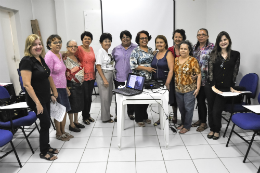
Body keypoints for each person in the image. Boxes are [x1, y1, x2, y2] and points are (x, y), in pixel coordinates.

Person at [19, 34, 58, 160]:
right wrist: (37, 103)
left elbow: (47, 77)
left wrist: (52, 93)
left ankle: (46, 146)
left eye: (39, 44)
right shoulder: (26, 61)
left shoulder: (40, 59)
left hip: (45, 96)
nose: (38, 46)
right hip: (36, 99)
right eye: (35, 44)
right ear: (29, 46)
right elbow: (27, 84)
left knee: (46, 123)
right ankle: (43, 152)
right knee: (45, 122)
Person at [206, 31, 240, 140]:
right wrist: (212, 86)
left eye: (225, 39)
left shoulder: (235, 54)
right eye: (220, 40)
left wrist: (232, 86)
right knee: (210, 109)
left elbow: (235, 72)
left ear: (229, 40)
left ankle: (217, 130)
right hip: (212, 86)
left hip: (224, 88)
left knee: (217, 110)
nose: (223, 42)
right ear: (218, 42)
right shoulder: (213, 53)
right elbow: (210, 71)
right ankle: (212, 128)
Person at [45, 34, 73, 141]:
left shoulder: (59, 55)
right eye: (55, 42)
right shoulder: (49, 56)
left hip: (62, 87)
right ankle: (58, 133)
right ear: (49, 45)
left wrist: (66, 87)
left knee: (64, 110)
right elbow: (48, 75)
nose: (58, 44)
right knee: (59, 112)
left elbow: (62, 74)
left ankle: (63, 131)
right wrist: (52, 91)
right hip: (55, 88)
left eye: (59, 42)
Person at [174, 40, 201, 134]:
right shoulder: (176, 60)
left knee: (188, 108)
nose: (183, 50)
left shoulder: (193, 60)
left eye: (185, 49)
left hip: (190, 89)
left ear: (189, 50)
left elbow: (198, 75)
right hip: (178, 89)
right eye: (181, 48)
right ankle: (183, 123)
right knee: (181, 108)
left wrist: (198, 88)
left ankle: (187, 126)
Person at [130, 30, 155, 127]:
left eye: (146, 38)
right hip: (138, 79)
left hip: (150, 78)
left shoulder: (150, 49)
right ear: (138, 40)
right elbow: (133, 66)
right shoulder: (135, 51)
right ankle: (139, 118)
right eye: (142, 38)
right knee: (139, 99)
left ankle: (144, 116)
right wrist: (146, 68)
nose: (144, 40)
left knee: (147, 98)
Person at [191, 28, 214, 132]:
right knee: (200, 102)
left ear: (207, 36)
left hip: (209, 80)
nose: (201, 36)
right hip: (198, 80)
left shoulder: (212, 47)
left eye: (203, 34)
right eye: (199, 34)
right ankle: (201, 120)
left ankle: (208, 123)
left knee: (209, 102)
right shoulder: (193, 48)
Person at [112, 30, 137, 122]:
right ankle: (117, 114)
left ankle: (130, 113)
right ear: (121, 39)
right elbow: (111, 61)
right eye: (123, 37)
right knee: (118, 97)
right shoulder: (116, 49)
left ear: (130, 38)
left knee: (131, 96)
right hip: (119, 77)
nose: (125, 39)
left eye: (127, 37)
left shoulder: (136, 48)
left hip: (132, 77)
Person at [151, 35, 174, 126]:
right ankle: (161, 118)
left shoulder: (168, 54)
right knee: (159, 101)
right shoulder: (155, 53)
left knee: (166, 101)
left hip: (165, 81)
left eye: (161, 42)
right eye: (157, 42)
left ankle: (165, 119)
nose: (159, 44)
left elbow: (171, 70)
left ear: (165, 43)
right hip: (155, 81)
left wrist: (167, 82)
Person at [74, 31, 96, 125]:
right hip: (83, 77)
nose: (87, 40)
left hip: (92, 76)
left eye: (89, 39)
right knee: (85, 98)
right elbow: (72, 58)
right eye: (85, 38)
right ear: (82, 40)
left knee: (89, 97)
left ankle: (88, 114)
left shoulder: (91, 48)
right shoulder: (78, 48)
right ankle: (84, 117)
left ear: (91, 40)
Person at [63, 40, 85, 132]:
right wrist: (65, 87)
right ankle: (71, 124)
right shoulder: (64, 58)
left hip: (79, 84)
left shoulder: (76, 57)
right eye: (71, 46)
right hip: (70, 84)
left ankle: (76, 121)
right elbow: (63, 73)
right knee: (72, 104)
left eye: (75, 46)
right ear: (67, 47)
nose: (73, 48)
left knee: (78, 103)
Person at [167, 29, 186, 124]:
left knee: (183, 99)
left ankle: (184, 118)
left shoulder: (186, 49)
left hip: (184, 78)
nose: (177, 39)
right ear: (173, 38)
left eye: (179, 37)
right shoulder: (170, 50)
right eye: (176, 37)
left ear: (183, 38)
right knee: (173, 98)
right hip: (173, 77)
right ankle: (174, 115)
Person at [96, 33, 115, 123]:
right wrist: (104, 79)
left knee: (109, 96)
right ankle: (105, 118)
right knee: (105, 97)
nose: (107, 43)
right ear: (101, 42)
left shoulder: (108, 51)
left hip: (109, 74)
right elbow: (98, 66)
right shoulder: (100, 51)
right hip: (103, 74)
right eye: (105, 41)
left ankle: (106, 113)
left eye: (109, 41)